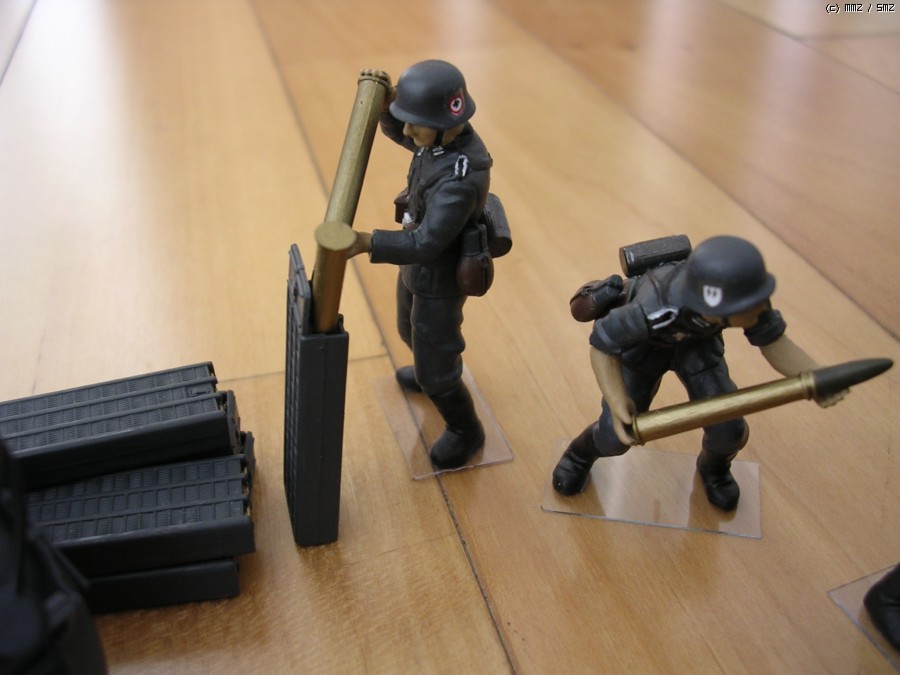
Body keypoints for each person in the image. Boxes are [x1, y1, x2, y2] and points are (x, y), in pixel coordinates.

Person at [553, 235, 843, 510]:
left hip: (698, 349)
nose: (758, 310)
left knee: (729, 431)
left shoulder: (744, 297)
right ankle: (579, 455)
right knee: (615, 435)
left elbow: (774, 342)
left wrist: (818, 377)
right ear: (714, 305)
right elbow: (602, 347)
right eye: (749, 306)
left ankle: (714, 469)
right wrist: (617, 401)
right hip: (640, 352)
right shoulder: (651, 308)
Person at [348, 60, 493, 469]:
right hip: (415, 268)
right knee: (405, 327)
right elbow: (404, 132)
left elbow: (426, 243)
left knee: (437, 369)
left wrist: (367, 242)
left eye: (416, 123)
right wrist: (389, 105)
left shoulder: (460, 178)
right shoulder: (440, 141)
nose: (408, 131)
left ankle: (465, 429)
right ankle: (429, 365)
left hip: (439, 277)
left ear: (446, 125)